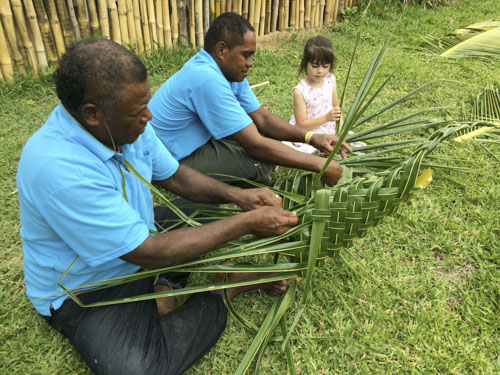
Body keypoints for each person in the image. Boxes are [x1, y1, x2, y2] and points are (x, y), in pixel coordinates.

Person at [16, 38, 298, 375]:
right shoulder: (58, 168)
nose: (149, 117)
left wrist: (239, 197)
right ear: (93, 114)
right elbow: (147, 251)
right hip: (89, 289)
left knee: (198, 204)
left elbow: (176, 177)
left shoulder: (124, 127)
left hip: (137, 237)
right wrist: (247, 222)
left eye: (146, 105)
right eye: (138, 112)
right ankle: (226, 286)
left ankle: (163, 284)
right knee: (138, 369)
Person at [148, 12, 351, 186]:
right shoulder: (206, 79)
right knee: (261, 161)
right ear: (221, 50)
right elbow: (255, 145)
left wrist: (312, 138)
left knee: (269, 143)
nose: (250, 63)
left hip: (193, 143)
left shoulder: (228, 71)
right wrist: (320, 165)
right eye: (246, 55)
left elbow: (261, 118)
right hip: (168, 161)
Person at [283, 35, 366, 154]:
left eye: (325, 66)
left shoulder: (330, 79)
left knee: (352, 146)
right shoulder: (300, 91)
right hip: (310, 132)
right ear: (305, 63)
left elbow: (335, 106)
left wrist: (341, 129)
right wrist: (326, 118)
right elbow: (301, 125)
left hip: (330, 128)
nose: (320, 71)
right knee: (310, 152)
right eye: (315, 66)